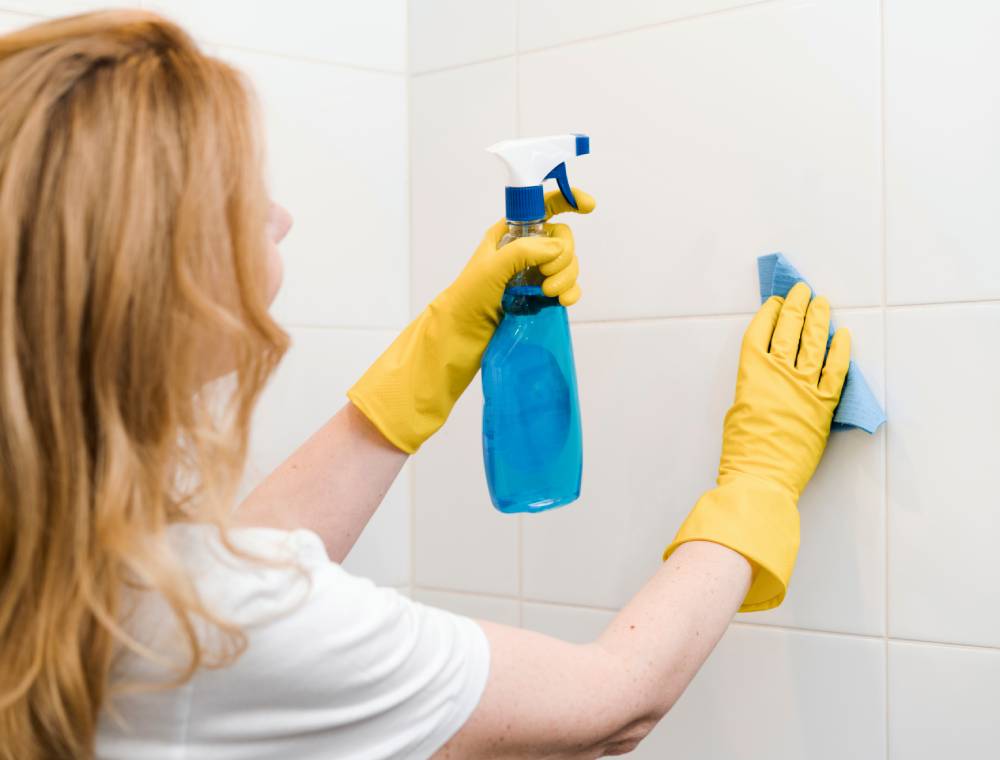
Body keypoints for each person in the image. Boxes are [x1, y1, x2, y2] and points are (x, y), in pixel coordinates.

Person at [0, 12, 850, 760]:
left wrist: (433, 355)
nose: (279, 216)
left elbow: (231, 573)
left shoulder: (56, 562)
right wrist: (757, 484)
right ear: (153, 267)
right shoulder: (204, 627)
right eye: (240, 190)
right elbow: (613, 704)